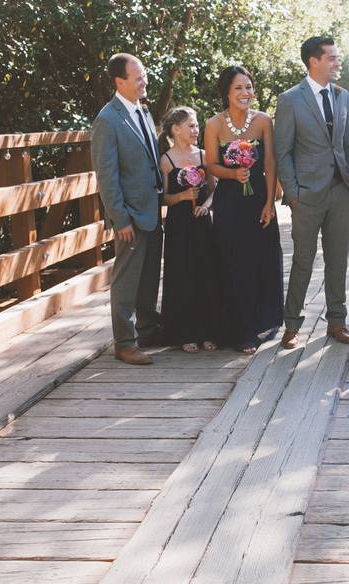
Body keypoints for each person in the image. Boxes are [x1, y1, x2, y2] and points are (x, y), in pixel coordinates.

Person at [274, 36, 349, 349]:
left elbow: (347, 142)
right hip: (306, 196)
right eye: (332, 58)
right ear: (314, 61)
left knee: (338, 260)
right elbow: (283, 152)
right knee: (303, 261)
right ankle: (292, 325)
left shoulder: (342, 95)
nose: (338, 63)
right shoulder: (290, 100)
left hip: (341, 190)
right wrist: (293, 194)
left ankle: (337, 322)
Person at [204, 66, 283, 354]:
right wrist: (231, 175)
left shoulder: (263, 121)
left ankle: (259, 323)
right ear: (226, 91)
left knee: (259, 258)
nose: (245, 93)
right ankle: (236, 328)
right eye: (238, 88)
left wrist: (269, 203)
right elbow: (210, 165)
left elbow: (271, 162)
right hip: (229, 201)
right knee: (232, 261)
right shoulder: (213, 124)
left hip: (257, 199)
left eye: (248, 87)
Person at [91, 53, 163, 365]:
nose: (144, 80)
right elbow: (107, 176)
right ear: (120, 82)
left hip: (152, 210)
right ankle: (124, 342)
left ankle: (148, 330)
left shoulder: (143, 112)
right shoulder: (107, 120)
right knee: (126, 282)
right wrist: (120, 218)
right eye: (138, 77)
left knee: (149, 277)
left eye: (144, 75)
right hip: (130, 215)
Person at [157, 106, 220, 354]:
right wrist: (183, 196)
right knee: (182, 274)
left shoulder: (204, 155)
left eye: (196, 125)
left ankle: (209, 332)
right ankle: (185, 333)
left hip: (202, 222)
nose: (196, 130)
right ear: (176, 129)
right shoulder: (166, 160)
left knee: (206, 273)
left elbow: (215, 189)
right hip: (178, 225)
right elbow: (163, 199)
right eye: (191, 125)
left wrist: (205, 205)